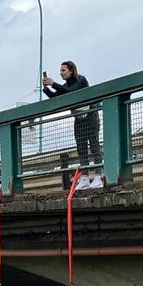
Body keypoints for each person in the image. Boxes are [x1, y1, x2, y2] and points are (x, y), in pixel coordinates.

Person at [43, 60, 103, 189]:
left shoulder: (81, 80)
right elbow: (56, 97)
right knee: (81, 149)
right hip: (79, 119)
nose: (61, 73)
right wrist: (46, 89)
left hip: (90, 115)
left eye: (63, 70)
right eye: (60, 71)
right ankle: (85, 178)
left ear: (71, 70)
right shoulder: (65, 85)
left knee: (94, 146)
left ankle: (98, 177)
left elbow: (70, 91)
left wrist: (53, 83)